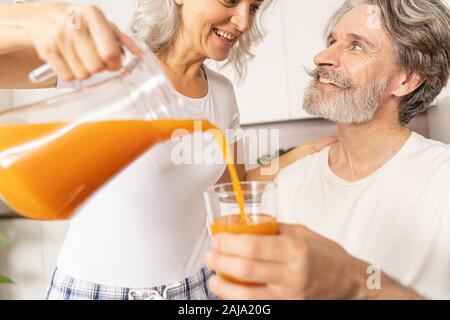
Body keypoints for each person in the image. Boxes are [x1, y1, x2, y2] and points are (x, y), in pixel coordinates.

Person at [0, 0, 336, 300]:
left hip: (195, 290)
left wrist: (303, 153)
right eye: (231, 1)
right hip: (97, 290)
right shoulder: (110, 66)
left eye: (254, 8)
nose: (244, 21)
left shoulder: (221, 93)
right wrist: (31, 19)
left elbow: (230, 187)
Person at [205, 0, 450, 300]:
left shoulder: (442, 181)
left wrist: (353, 282)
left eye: (356, 46)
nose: (322, 56)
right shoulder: (287, 184)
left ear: (407, 79)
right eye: (332, 41)